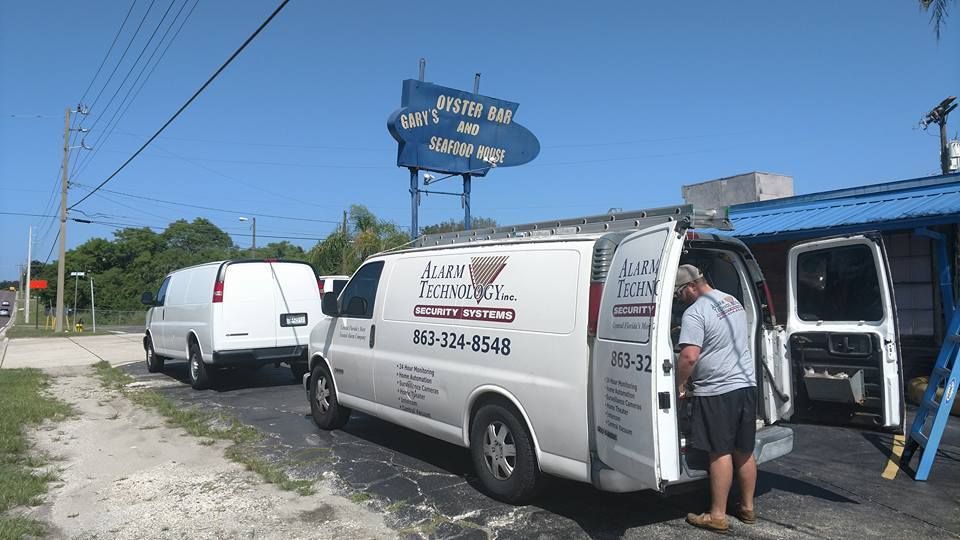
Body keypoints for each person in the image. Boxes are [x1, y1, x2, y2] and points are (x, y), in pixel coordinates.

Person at [674, 264, 757, 533]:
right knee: (744, 450)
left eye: (679, 293)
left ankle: (717, 515)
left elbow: (689, 357)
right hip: (746, 384)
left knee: (719, 452)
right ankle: (747, 507)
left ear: (691, 286)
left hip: (718, 390)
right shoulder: (730, 300)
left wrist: (680, 383)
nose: (679, 299)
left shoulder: (695, 313)